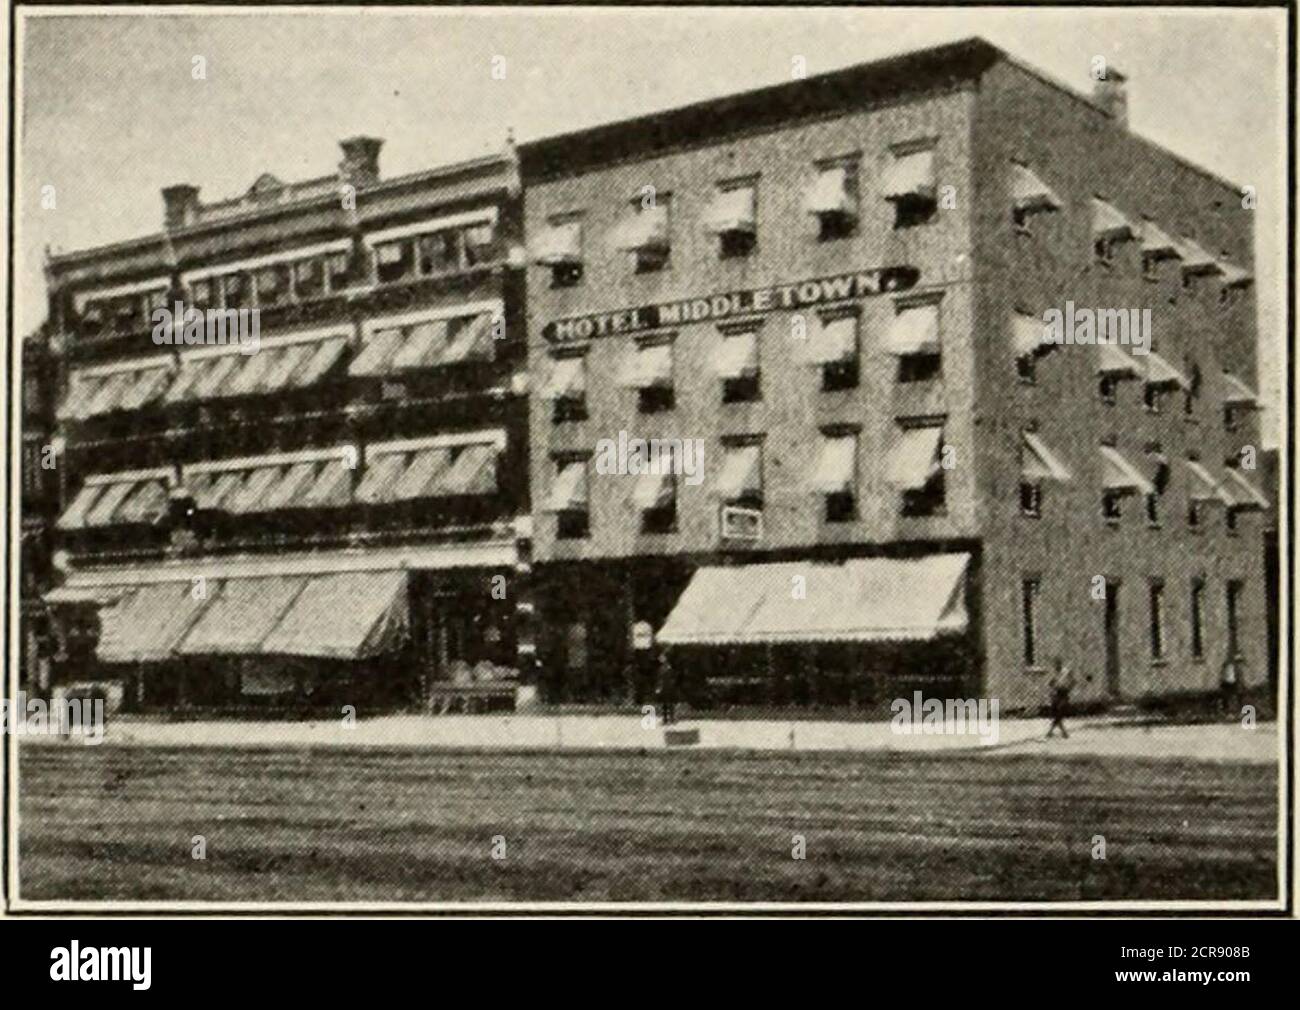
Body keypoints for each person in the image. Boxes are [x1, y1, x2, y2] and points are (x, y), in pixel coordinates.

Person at [1045, 657, 1075, 739]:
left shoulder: (1065, 672)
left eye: (1057, 664)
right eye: (1055, 664)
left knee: (1060, 710)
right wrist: (1052, 687)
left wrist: (1069, 688)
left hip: (1064, 693)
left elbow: (1073, 681)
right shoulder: (1055, 673)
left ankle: (1051, 732)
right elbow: (1051, 682)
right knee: (1055, 713)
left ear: (1060, 664)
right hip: (1057, 693)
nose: (1056, 666)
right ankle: (1063, 732)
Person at [1219, 653, 1243, 719]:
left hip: (1233, 685)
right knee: (1230, 699)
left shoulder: (1235, 668)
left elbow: (1238, 677)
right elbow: (1224, 677)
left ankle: (1235, 713)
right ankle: (1230, 714)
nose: (1239, 664)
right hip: (1229, 685)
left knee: (1235, 699)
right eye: (1238, 662)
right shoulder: (1230, 667)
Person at [656, 650, 677, 726]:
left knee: (670, 704)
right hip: (664, 688)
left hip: (669, 687)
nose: (660, 659)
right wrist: (658, 687)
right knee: (664, 704)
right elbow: (659, 679)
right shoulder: (661, 668)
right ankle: (665, 719)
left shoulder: (668, 667)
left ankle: (672, 719)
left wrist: (671, 685)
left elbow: (672, 677)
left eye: (662, 658)